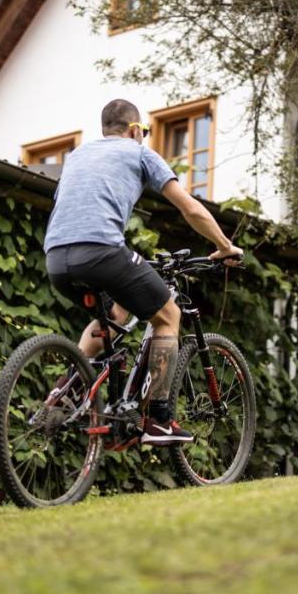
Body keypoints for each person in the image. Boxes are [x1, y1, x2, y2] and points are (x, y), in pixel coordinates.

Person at [44, 98, 243, 445]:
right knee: (168, 315)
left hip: (56, 258)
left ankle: (64, 391)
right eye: (146, 131)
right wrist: (225, 246)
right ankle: (160, 420)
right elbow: (190, 207)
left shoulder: (77, 157)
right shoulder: (139, 153)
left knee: (115, 313)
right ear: (136, 130)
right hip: (102, 250)